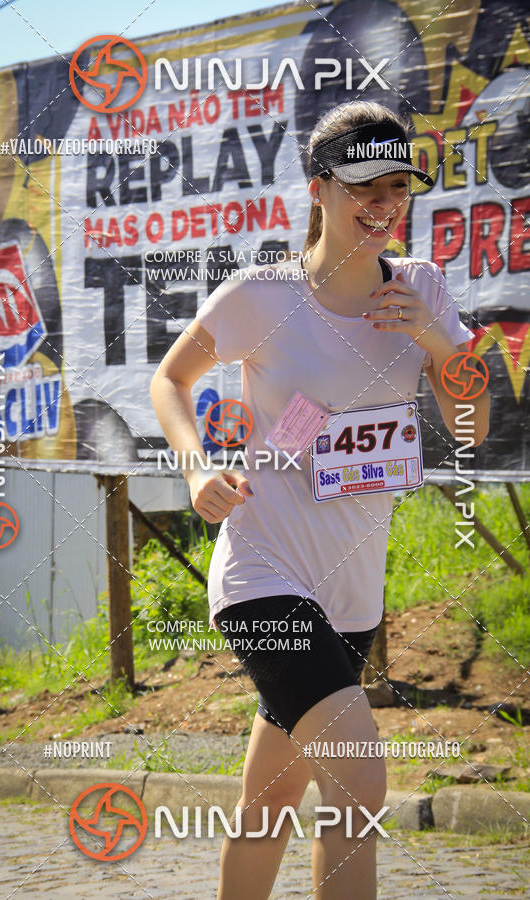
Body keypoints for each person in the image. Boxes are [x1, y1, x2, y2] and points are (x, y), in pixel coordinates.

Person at [150, 100, 490, 900]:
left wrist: (435, 343)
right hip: (263, 573)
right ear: (319, 189)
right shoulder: (263, 296)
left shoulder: (423, 288)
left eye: (399, 188)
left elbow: (470, 426)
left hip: (351, 594)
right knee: (363, 790)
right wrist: (197, 467)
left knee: (268, 803)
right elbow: (170, 379)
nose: (383, 207)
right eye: (364, 189)